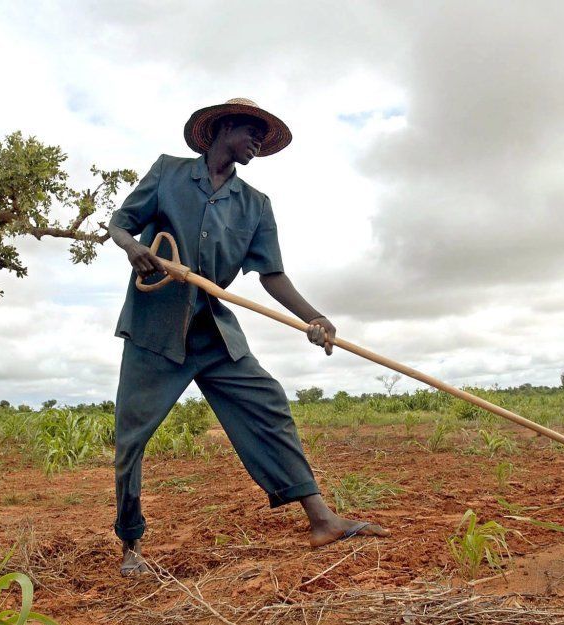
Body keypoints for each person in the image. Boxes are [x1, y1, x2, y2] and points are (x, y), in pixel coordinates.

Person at [107, 98, 389, 576]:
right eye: (252, 133)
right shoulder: (168, 173)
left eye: (263, 138)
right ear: (224, 128)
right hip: (154, 330)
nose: (258, 144)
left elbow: (271, 275)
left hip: (213, 334)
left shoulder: (255, 205)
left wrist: (315, 317)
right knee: (131, 438)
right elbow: (119, 224)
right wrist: (134, 249)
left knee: (269, 403)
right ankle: (131, 545)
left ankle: (321, 519)